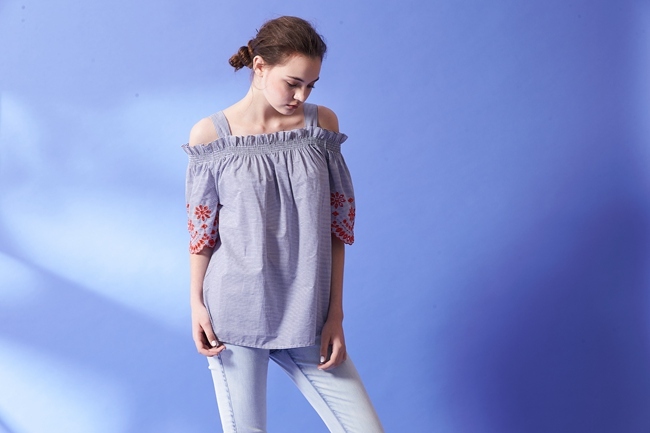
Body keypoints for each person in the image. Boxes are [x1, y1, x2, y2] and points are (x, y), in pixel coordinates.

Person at [183, 16, 384, 433]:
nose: (301, 95)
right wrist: (197, 305)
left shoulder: (321, 127)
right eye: (293, 83)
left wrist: (335, 314)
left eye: (311, 86)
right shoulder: (210, 135)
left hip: (308, 312)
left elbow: (337, 227)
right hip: (234, 312)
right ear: (259, 67)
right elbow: (202, 233)